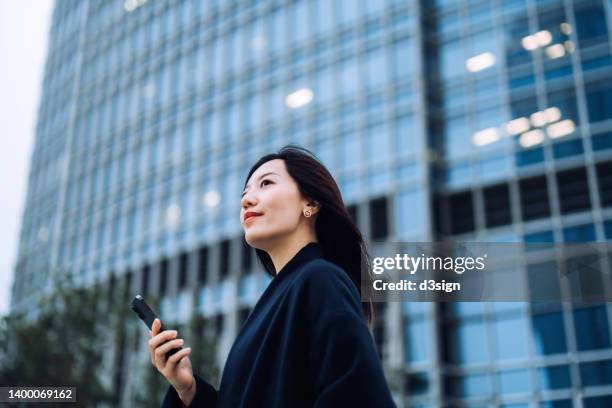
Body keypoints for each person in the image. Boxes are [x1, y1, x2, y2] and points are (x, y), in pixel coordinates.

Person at [148, 145, 396, 407]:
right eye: (245, 193)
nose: (246, 200)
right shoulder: (278, 299)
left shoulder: (320, 279)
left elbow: (355, 395)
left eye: (266, 183)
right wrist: (188, 390)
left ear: (310, 203)